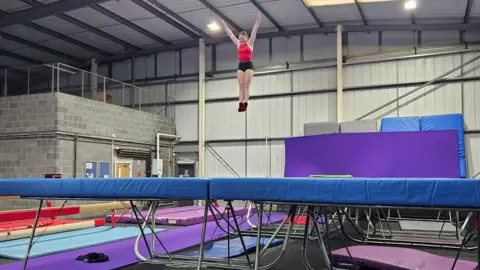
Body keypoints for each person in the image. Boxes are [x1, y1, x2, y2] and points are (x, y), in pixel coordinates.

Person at [220, 12, 261, 112]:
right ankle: (240, 103)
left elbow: (255, 30)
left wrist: (258, 19)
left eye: (243, 39)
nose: (241, 40)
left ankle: (246, 103)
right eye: (240, 38)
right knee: (240, 85)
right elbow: (229, 33)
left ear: (246, 37)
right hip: (241, 64)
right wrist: (224, 24)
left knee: (246, 84)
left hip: (249, 64)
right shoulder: (238, 43)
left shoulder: (250, 42)